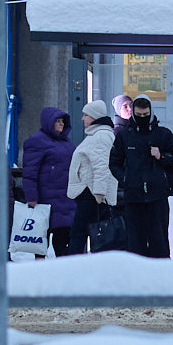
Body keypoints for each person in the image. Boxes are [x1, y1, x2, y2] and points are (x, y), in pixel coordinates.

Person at [109, 93, 173, 258]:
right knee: (135, 244)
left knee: (158, 242)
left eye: (145, 115)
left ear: (151, 113)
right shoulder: (125, 136)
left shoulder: (162, 134)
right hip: (133, 197)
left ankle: (160, 276)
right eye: (139, 116)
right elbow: (114, 162)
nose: (143, 118)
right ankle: (137, 277)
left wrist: (162, 156)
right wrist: (125, 179)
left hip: (157, 196)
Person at [22, 106, 76, 257]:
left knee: (63, 239)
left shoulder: (66, 142)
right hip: (44, 200)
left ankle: (62, 273)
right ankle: (40, 273)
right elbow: (30, 172)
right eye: (57, 121)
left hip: (65, 198)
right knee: (41, 241)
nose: (61, 124)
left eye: (62, 121)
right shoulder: (36, 142)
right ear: (49, 122)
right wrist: (31, 197)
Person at [66, 100, 117, 254]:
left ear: (94, 117)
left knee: (79, 233)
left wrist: (99, 193)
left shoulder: (100, 136)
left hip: (92, 193)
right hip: (91, 192)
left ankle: (73, 265)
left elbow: (102, 166)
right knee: (88, 233)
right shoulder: (97, 134)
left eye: (86, 115)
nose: (82, 118)